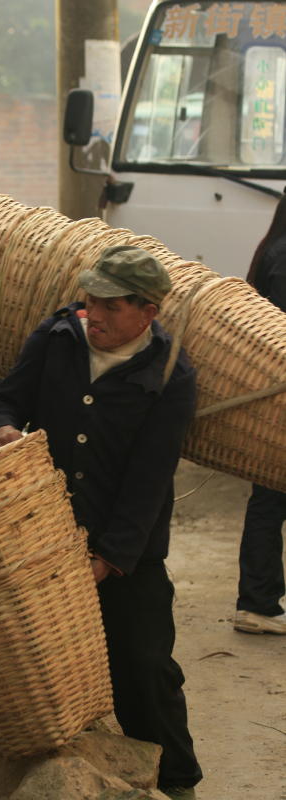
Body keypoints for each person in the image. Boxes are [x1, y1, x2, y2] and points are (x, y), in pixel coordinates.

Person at [0, 246, 202, 800]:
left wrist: (107, 560)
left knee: (144, 666)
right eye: (89, 301)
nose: (93, 315)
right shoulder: (56, 338)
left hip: (121, 551)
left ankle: (176, 782)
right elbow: (3, 401)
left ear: (147, 311)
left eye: (109, 306)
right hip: (31, 539)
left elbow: (150, 479)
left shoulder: (171, 374)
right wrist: (3, 429)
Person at [234, 195, 286, 635]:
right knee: (271, 498)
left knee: (270, 497)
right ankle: (258, 601)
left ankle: (260, 599)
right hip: (280, 392)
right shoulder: (283, 256)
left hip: (274, 389)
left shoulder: (273, 248)